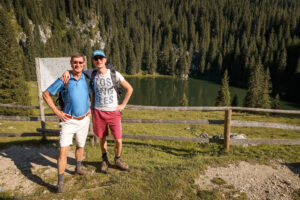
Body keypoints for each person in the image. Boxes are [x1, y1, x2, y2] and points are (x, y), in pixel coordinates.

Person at [62, 50, 133, 173]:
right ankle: (104, 160)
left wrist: (122, 105)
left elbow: (129, 88)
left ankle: (117, 159)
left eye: (101, 58)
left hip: (113, 112)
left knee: (118, 139)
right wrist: (67, 71)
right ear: (94, 61)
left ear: (105, 60)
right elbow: (77, 70)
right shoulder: (92, 74)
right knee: (102, 138)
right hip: (99, 112)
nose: (99, 61)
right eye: (96, 59)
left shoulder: (115, 74)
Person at [43, 53, 91, 193]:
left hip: (84, 120)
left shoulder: (87, 77)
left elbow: (96, 89)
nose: (77, 64)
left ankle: (78, 167)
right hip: (68, 120)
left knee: (80, 145)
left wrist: (91, 108)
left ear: (84, 64)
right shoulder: (64, 79)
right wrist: (57, 112)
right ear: (71, 63)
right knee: (63, 151)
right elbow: (46, 94)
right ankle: (60, 182)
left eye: (80, 62)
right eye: (75, 62)